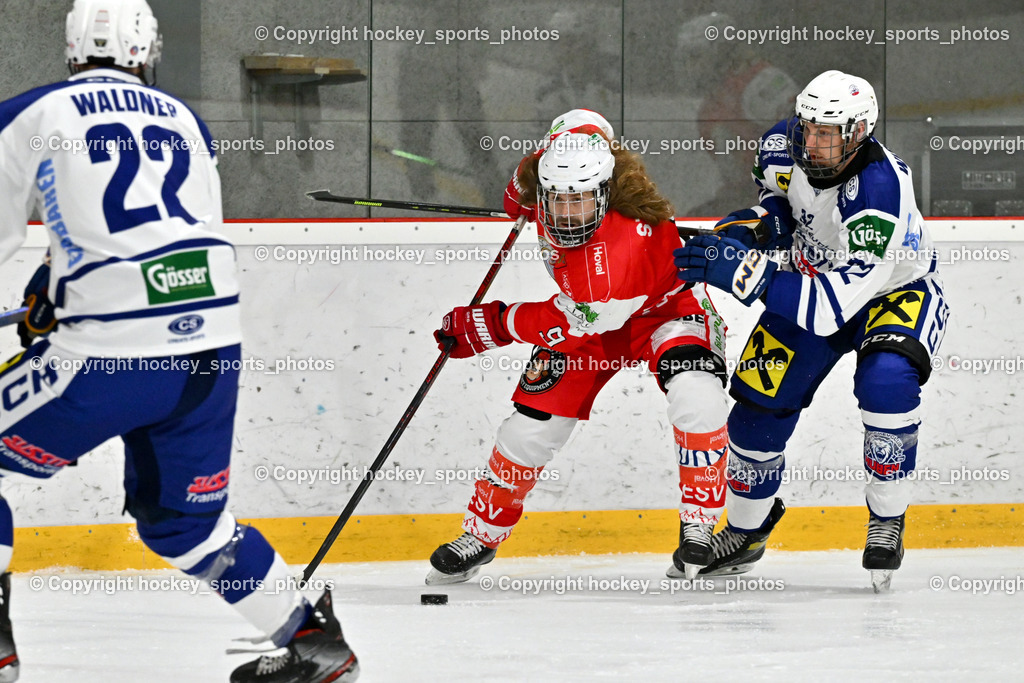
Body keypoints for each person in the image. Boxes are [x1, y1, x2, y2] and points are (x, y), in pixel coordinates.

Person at [0, 2, 358, 680]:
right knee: (187, 526)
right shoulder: (186, 122)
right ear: (149, 51)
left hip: (109, 355)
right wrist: (55, 283)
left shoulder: (30, 112)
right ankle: (315, 643)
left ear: (72, 49)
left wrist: (60, 288)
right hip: (210, 352)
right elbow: (163, 230)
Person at [673, 70, 950, 591]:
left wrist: (742, 272)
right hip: (811, 276)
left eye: (828, 133)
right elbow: (781, 202)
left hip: (893, 291)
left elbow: (829, 311)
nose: (813, 141)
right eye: (808, 127)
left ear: (860, 131)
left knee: (886, 382)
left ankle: (887, 518)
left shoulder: (880, 191)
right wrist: (756, 226)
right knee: (755, 412)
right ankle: (745, 531)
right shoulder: (780, 144)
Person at [425, 118, 732, 586]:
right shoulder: (549, 172)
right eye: (558, 200)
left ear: (604, 194)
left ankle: (699, 524)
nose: (568, 215)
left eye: (581, 201)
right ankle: (482, 534)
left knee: (697, 394)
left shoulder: (616, 250)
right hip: (589, 316)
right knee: (530, 427)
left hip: (664, 312)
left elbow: (571, 320)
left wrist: (488, 325)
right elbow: (522, 192)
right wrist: (525, 183)